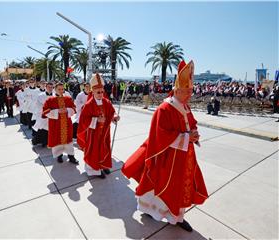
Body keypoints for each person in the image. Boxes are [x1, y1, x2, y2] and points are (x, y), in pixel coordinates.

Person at [122, 60, 208, 232]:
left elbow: (191, 123)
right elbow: (160, 135)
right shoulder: (164, 109)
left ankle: (177, 216)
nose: (189, 95)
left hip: (184, 156)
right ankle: (148, 209)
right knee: (161, 185)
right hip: (166, 157)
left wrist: (194, 133)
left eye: (191, 91)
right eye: (186, 92)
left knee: (180, 187)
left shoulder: (185, 106)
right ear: (177, 90)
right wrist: (186, 137)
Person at [77, 73, 120, 178]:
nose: (100, 94)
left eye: (102, 92)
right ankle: (95, 170)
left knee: (105, 149)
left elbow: (111, 112)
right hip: (93, 133)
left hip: (105, 132)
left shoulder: (106, 102)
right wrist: (96, 120)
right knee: (94, 151)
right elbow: (83, 121)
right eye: (98, 92)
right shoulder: (88, 105)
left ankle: (104, 165)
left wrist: (115, 116)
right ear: (93, 92)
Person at [42, 82, 78, 164]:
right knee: (57, 140)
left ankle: (71, 156)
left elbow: (74, 108)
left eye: (62, 89)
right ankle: (59, 155)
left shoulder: (68, 99)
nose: (61, 91)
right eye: (59, 89)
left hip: (67, 124)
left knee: (68, 140)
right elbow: (44, 112)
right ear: (55, 89)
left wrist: (68, 110)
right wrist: (57, 111)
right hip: (55, 125)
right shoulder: (50, 100)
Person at [32, 82, 54, 147]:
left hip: (52, 116)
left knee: (50, 129)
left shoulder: (55, 95)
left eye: (51, 87)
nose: (50, 88)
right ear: (46, 87)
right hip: (43, 116)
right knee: (42, 130)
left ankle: (49, 142)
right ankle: (42, 142)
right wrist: (47, 111)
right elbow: (38, 106)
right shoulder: (41, 96)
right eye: (49, 87)